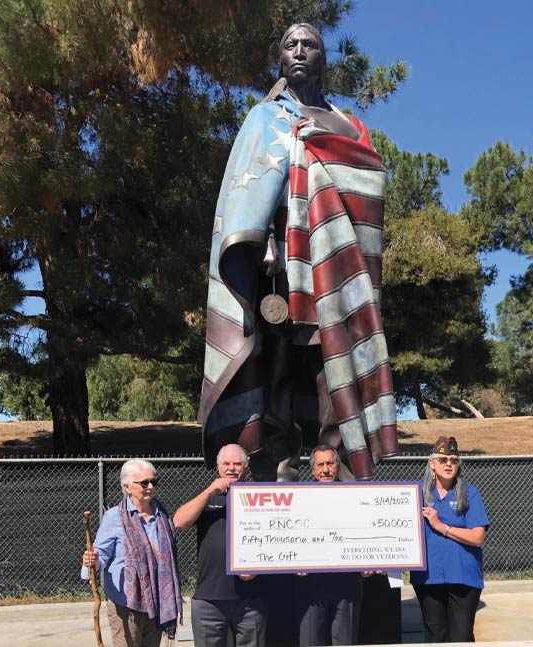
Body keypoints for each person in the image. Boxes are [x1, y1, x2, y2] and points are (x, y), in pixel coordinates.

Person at [198, 22, 398, 483]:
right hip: (282, 267)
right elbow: (245, 194)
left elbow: (370, 178)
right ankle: (279, 462)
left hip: (338, 264)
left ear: (324, 58)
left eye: (311, 44)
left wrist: (323, 152)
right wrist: (263, 240)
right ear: (280, 59)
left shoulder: (350, 126)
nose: (302, 51)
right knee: (279, 362)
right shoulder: (265, 118)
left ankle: (335, 461)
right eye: (292, 45)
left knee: (331, 361)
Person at [81, 459, 182, 647]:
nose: (150, 486)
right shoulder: (115, 517)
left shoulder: (162, 515)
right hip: (126, 604)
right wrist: (92, 561)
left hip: (158, 601)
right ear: (127, 487)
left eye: (153, 482)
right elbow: (101, 555)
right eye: (144, 483)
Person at [174, 444, 267, 647]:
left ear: (247, 467)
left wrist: (260, 566)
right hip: (209, 599)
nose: (231, 468)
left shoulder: (262, 495)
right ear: (218, 467)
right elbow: (179, 522)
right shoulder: (206, 495)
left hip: (251, 600)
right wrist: (209, 491)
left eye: (237, 464)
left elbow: (276, 539)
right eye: (226, 463)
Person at [411, 437, 491, 643]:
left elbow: (477, 537)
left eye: (454, 460)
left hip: (463, 577)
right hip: (428, 578)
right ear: (432, 463)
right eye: (443, 459)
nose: (449, 464)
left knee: (461, 637)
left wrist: (441, 526)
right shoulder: (416, 493)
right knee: (435, 637)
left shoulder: (470, 493)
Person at [292, 445, 370, 646]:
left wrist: (370, 561)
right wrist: (293, 562)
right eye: (320, 465)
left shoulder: (357, 498)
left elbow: (366, 532)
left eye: (330, 463)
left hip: (347, 584)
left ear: (337, 467)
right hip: (310, 587)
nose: (325, 469)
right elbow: (289, 537)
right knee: (310, 641)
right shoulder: (297, 500)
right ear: (312, 471)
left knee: (345, 641)